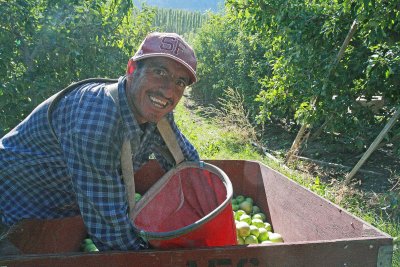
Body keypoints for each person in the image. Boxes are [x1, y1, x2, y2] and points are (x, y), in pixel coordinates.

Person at [0, 32, 200, 252]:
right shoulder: (95, 122)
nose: (169, 90)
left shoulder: (155, 107)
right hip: (9, 205)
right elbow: (112, 233)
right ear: (132, 70)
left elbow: (186, 164)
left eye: (180, 82)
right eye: (159, 72)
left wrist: (209, 212)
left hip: (53, 204)